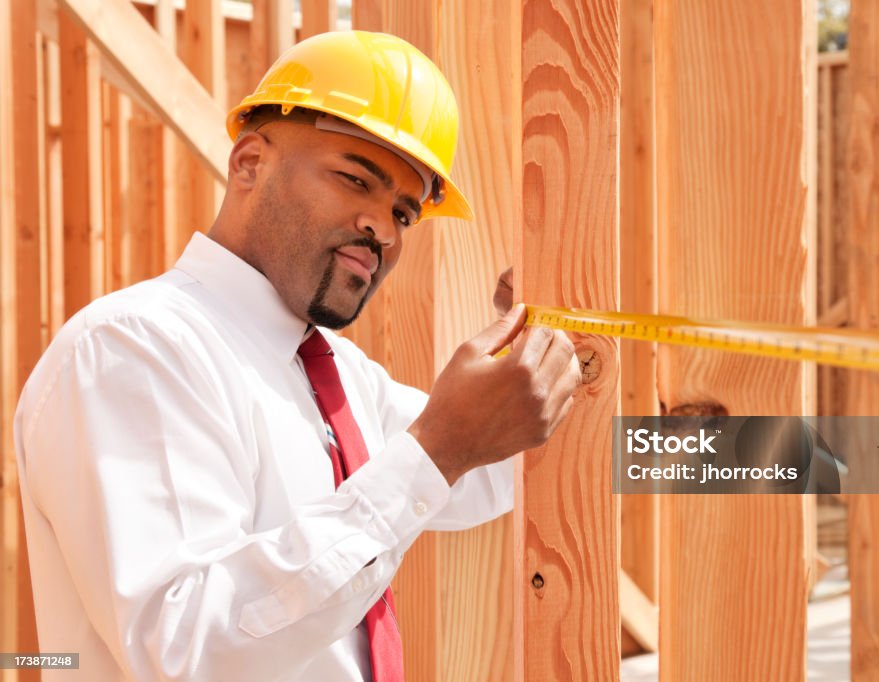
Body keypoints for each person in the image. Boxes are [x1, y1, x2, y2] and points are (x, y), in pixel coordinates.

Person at [13, 31, 580, 681]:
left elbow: (487, 466)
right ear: (249, 163)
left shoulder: (338, 376)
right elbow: (185, 647)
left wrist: (716, 445)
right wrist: (437, 449)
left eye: (403, 212)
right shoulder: (133, 350)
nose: (382, 227)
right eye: (355, 178)